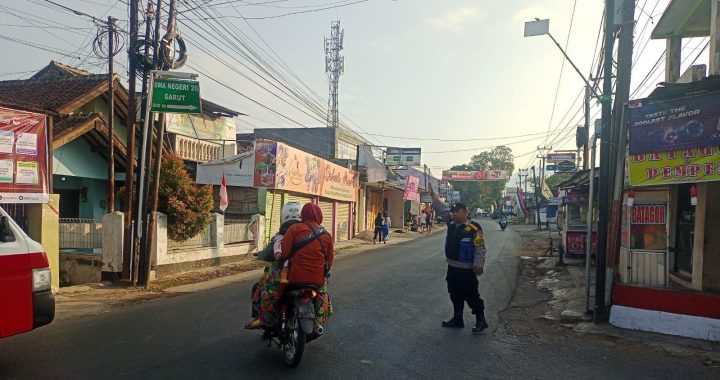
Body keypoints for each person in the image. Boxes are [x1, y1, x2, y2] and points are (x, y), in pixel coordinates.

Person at [246, 202, 302, 329]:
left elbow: (269, 254)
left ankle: (260, 318)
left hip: (282, 275)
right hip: (304, 273)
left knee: (259, 287)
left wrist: (260, 255)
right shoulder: (307, 233)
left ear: (283, 216)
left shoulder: (280, 235)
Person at [441, 202, 489, 334]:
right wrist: (433, 198)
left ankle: (481, 320)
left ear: (465, 212)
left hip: (467, 269)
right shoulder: (451, 223)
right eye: (453, 212)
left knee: (472, 295)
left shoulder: (474, 228)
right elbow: (442, 210)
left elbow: (480, 247)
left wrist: (479, 263)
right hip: (452, 267)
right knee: (454, 293)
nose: (454, 214)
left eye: (457, 211)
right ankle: (458, 319)